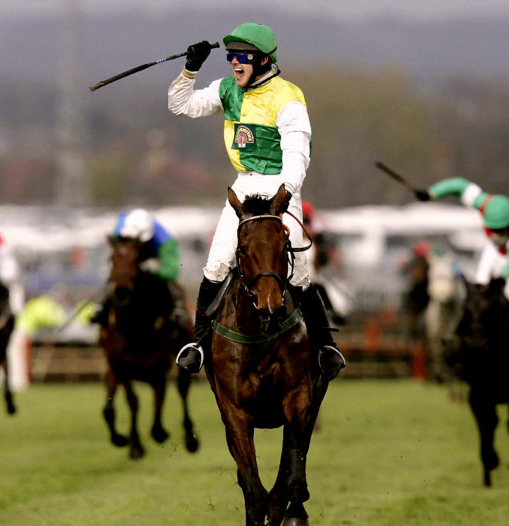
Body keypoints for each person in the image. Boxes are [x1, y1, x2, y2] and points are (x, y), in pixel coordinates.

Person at [167, 22, 345, 380]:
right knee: (216, 264)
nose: (234, 62)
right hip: (244, 188)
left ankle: (325, 347)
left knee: (299, 270)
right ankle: (198, 345)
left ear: (263, 59)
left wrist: (285, 194)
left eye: (242, 56)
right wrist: (190, 68)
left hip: (282, 188)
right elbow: (179, 105)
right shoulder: (228, 89)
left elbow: (297, 153)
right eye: (231, 55)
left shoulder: (288, 96)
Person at [414, 177, 509, 337]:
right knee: (479, 290)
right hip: (496, 250)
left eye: (500, 230)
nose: (495, 234)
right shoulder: (484, 203)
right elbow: (458, 185)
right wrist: (431, 193)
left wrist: (501, 277)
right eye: (492, 229)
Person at [91, 209, 189, 329]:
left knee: (169, 285)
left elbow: (172, 272)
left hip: (154, 260)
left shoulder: (166, 241)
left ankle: (177, 311)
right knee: (118, 276)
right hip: (130, 261)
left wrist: (155, 269)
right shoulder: (120, 226)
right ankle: (101, 308)